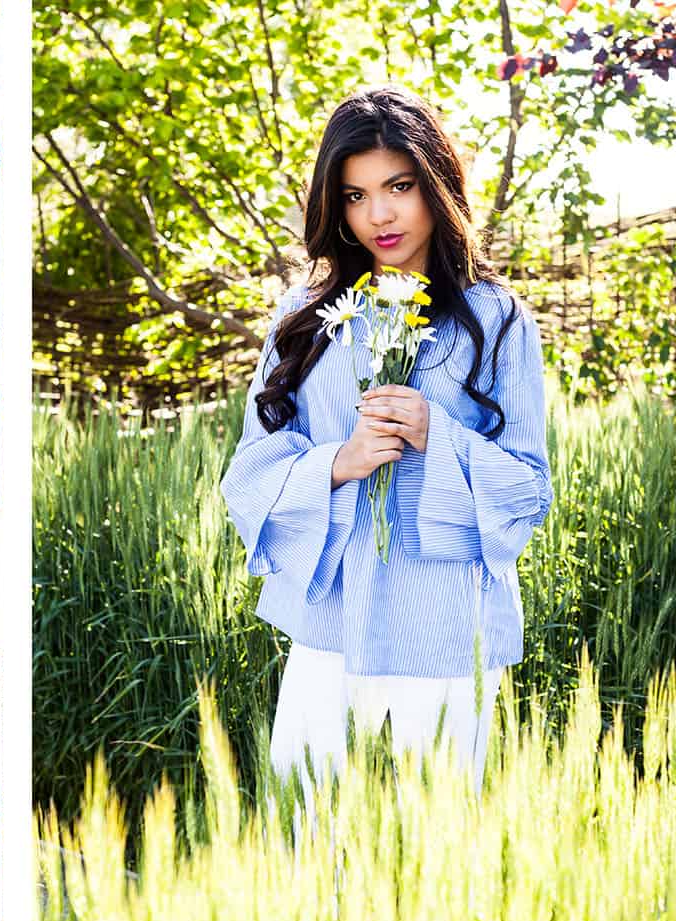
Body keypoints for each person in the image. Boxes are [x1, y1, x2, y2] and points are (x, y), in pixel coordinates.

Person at [221, 84, 554, 807]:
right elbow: (248, 472)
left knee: (436, 843)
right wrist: (339, 462)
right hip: (331, 623)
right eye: (355, 195)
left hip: (446, 623)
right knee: (310, 829)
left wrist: (439, 436)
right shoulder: (305, 318)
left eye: (399, 187)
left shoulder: (497, 320)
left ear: (436, 183)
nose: (379, 214)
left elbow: (529, 489)